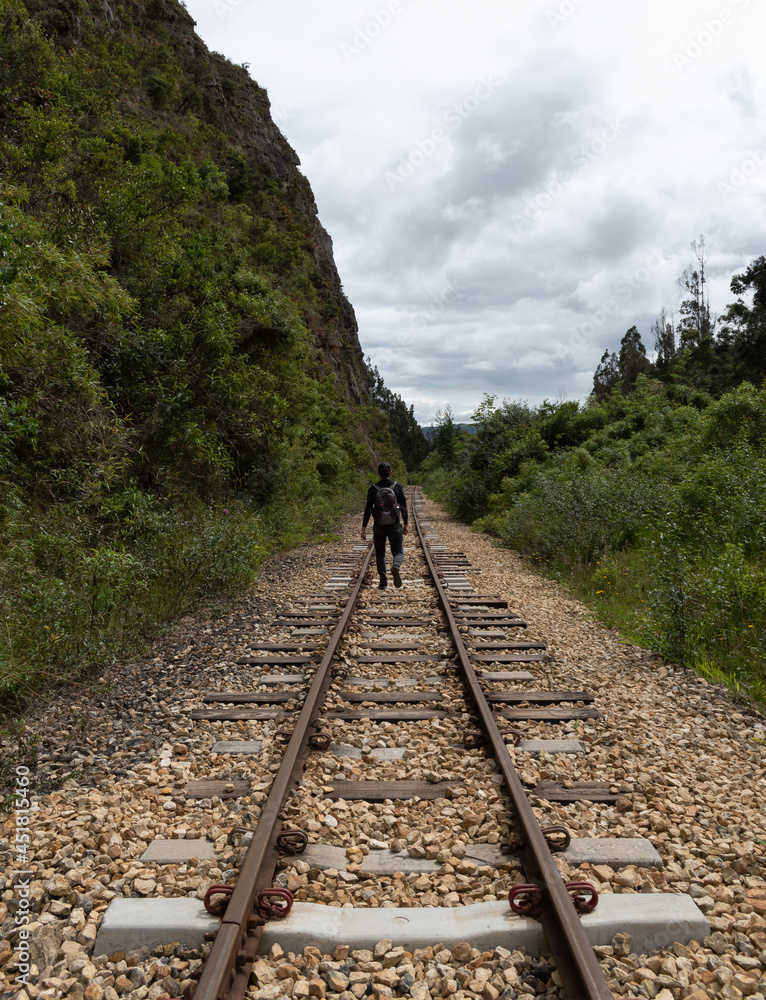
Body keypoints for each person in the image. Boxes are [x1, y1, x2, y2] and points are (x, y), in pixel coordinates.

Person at [361, 462, 408, 589]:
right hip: (394, 525)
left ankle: (383, 582)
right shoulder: (397, 487)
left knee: (380, 553)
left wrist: (364, 528)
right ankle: (395, 566)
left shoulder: (373, 488)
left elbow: (368, 509)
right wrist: (406, 524)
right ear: (390, 473)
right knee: (398, 551)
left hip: (379, 525)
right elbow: (403, 507)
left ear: (378, 473)